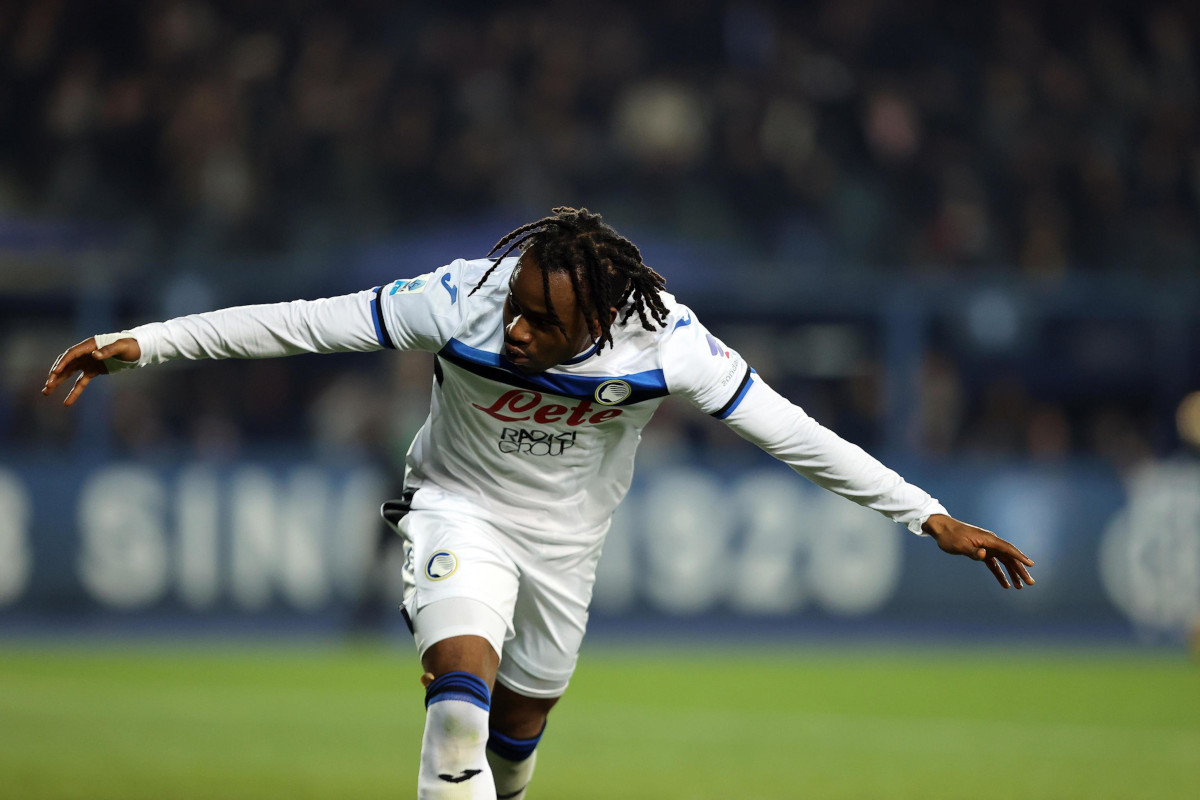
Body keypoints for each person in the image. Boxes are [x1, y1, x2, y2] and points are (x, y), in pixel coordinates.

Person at [43, 207, 1035, 799]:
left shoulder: (666, 343)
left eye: (541, 319)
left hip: (566, 551)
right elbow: (303, 324)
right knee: (456, 716)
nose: (513, 328)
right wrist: (145, 342)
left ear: (598, 320)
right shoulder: (461, 296)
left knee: (512, 760)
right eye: (514, 304)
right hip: (454, 509)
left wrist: (926, 513)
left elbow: (793, 430)